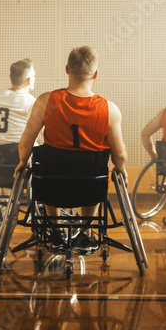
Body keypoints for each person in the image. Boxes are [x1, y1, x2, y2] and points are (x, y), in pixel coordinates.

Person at [14, 46, 127, 251]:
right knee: (94, 171)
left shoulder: (46, 101)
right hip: (90, 186)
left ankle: (55, 231)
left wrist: (23, 162)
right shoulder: (109, 109)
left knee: (47, 167)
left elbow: (26, 140)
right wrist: (121, 168)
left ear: (67, 69)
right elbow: (119, 154)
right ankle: (86, 234)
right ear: (95, 73)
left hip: (53, 183)